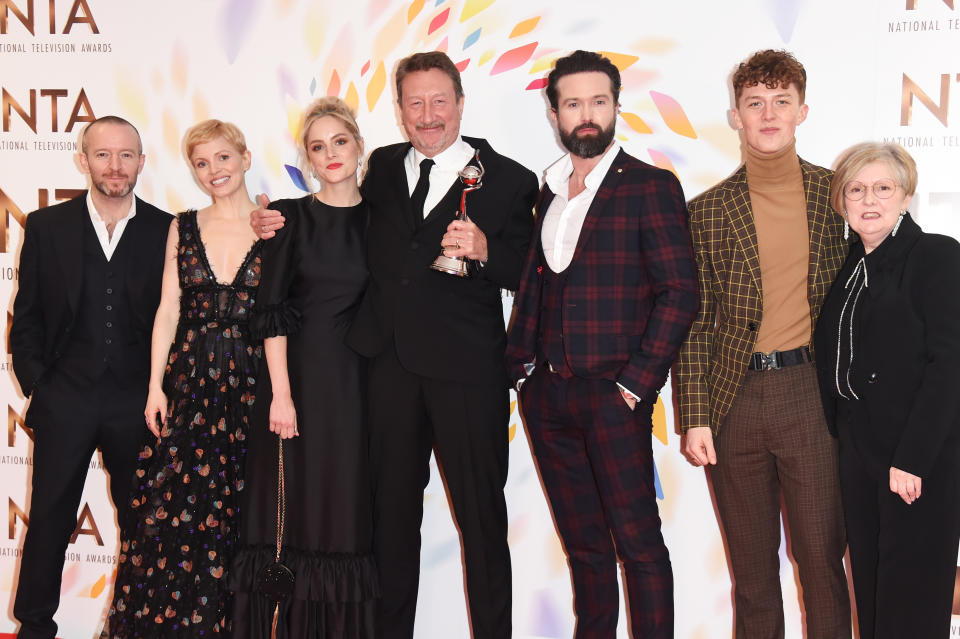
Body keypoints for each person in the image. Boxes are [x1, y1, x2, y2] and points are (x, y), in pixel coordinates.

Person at [252, 51, 538, 638]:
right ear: (400, 111)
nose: (428, 115)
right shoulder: (379, 167)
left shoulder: (511, 179)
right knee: (390, 525)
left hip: (467, 374)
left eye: (439, 101)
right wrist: (269, 220)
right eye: (415, 103)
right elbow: (329, 210)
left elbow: (531, 271)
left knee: (482, 524)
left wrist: (486, 251)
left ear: (460, 102)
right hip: (385, 373)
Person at [506, 50, 698, 637]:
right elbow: (538, 285)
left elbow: (679, 293)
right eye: (572, 103)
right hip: (547, 398)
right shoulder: (547, 192)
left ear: (615, 107)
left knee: (639, 547)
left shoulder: (649, 186)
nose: (585, 114)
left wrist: (635, 386)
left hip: (615, 396)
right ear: (555, 113)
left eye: (598, 101)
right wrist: (523, 375)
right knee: (585, 548)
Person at [675, 50, 852, 638]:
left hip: (812, 396)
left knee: (822, 566)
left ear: (803, 111)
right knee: (751, 576)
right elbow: (695, 321)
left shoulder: (840, 199)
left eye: (781, 102)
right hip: (734, 402)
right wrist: (694, 416)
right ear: (736, 115)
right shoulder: (705, 213)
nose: (769, 114)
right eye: (756, 103)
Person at [9, 116, 172, 639]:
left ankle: (140, 627)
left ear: (141, 163)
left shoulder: (167, 229)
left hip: (136, 404)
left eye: (126, 155)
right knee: (49, 522)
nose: (115, 166)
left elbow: (179, 319)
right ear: (83, 160)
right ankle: (35, 628)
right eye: (103, 154)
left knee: (145, 527)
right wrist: (42, 386)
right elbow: (26, 318)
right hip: (67, 400)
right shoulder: (46, 227)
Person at [105, 119, 263, 637]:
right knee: (169, 517)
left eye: (222, 158)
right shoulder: (184, 226)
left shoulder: (275, 224)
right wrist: (155, 386)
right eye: (201, 162)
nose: (213, 171)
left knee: (239, 517)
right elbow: (168, 311)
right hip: (189, 386)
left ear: (242, 157)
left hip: (249, 389)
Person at [230, 97, 378, 638]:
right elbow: (271, 316)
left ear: (359, 146)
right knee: (288, 516)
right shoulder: (290, 219)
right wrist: (281, 395)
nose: (330, 154)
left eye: (340, 141)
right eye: (318, 147)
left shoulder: (383, 220)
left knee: (344, 515)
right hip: (299, 388)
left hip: (362, 391)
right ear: (308, 159)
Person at [813, 142, 960, 639]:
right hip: (861, 451)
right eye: (856, 189)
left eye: (883, 188)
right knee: (875, 598)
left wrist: (913, 457)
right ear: (842, 201)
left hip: (919, 459)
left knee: (912, 603)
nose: (869, 200)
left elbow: (950, 364)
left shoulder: (937, 255)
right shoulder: (852, 265)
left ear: (905, 195)